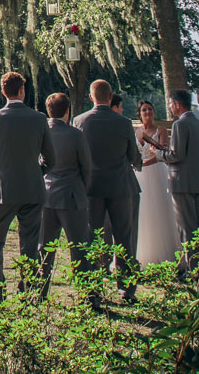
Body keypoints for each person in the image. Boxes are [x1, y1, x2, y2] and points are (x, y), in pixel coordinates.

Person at [0, 71, 54, 301]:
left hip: (4, 188)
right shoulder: (39, 118)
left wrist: (1, 173)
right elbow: (50, 158)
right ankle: (28, 290)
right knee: (30, 242)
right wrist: (36, 172)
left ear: (3, 92)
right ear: (22, 90)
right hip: (33, 188)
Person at [74, 79, 144, 293]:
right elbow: (134, 155)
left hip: (91, 187)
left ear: (91, 97)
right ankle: (127, 287)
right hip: (119, 187)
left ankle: (92, 287)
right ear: (111, 96)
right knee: (124, 236)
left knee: (92, 236)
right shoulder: (123, 123)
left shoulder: (80, 121)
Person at [39, 92, 95, 290]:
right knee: (79, 247)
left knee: (44, 247)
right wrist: (82, 188)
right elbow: (86, 167)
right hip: (71, 195)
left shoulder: (42, 132)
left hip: (46, 195)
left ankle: (39, 290)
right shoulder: (76, 134)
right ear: (67, 111)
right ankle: (87, 293)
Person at [153, 89, 199, 266]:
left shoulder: (180, 124)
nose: (170, 107)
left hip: (182, 181)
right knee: (198, 224)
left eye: (170, 103)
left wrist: (159, 154)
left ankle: (193, 268)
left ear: (177, 104)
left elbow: (176, 154)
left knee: (186, 227)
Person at [132, 101, 179, 265]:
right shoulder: (136, 131)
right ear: (139, 113)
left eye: (150, 109)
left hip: (156, 170)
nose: (147, 112)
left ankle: (165, 250)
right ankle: (143, 252)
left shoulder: (161, 130)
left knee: (159, 208)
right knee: (143, 211)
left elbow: (164, 151)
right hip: (140, 173)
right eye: (144, 110)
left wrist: (145, 163)